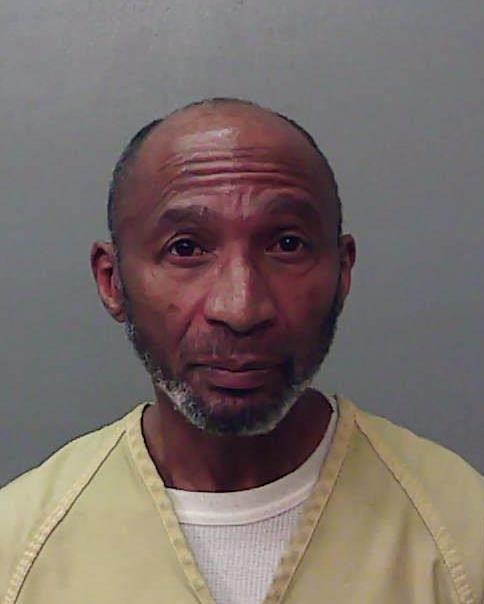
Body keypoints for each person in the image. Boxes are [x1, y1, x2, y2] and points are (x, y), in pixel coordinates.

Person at [0, 97, 482, 604]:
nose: (241, 308)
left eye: (287, 244)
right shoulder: (18, 554)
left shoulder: (462, 539)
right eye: (186, 248)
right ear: (112, 280)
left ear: (342, 272)